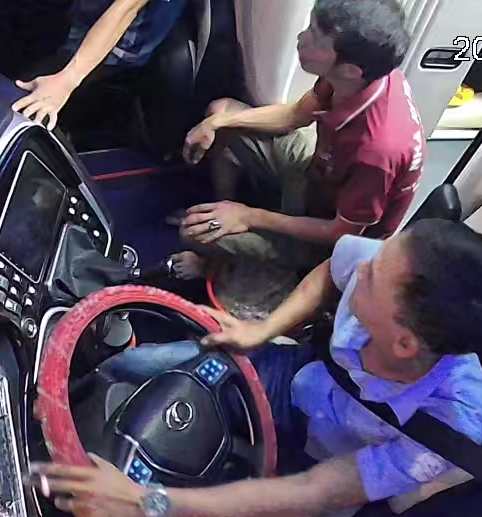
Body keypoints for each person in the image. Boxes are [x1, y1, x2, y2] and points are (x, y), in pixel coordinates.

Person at [34, 219, 482, 517]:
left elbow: (312, 492)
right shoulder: (387, 269)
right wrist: (263, 330)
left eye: (371, 278)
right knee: (138, 365)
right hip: (297, 374)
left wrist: (147, 503)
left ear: (404, 343)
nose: (363, 264)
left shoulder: (447, 426)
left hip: (317, 458)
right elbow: (330, 271)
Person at [170, 0, 424, 306]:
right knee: (221, 112)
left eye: (316, 39)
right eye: (310, 28)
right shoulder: (356, 77)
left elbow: (340, 232)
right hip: (317, 175)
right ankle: (224, 209)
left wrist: (250, 216)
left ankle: (247, 263)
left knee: (193, 232)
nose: (302, 39)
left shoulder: (378, 150)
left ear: (350, 69)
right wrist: (217, 123)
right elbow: (294, 116)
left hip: (328, 233)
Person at [12, 0, 188, 130]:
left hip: (112, 54)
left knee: (24, 106)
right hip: (74, 21)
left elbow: (125, 9)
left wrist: (68, 79)